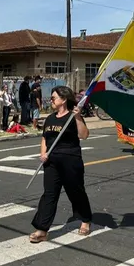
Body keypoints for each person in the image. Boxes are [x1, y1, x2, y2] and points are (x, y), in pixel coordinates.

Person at [30, 86, 92, 243]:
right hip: (51, 162)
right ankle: (42, 229)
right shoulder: (50, 118)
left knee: (76, 192)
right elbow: (45, 138)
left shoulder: (73, 116)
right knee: (49, 194)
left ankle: (85, 219)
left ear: (63, 100)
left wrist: (78, 118)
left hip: (71, 160)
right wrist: (43, 153)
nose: (51, 101)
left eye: (53, 98)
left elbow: (84, 135)